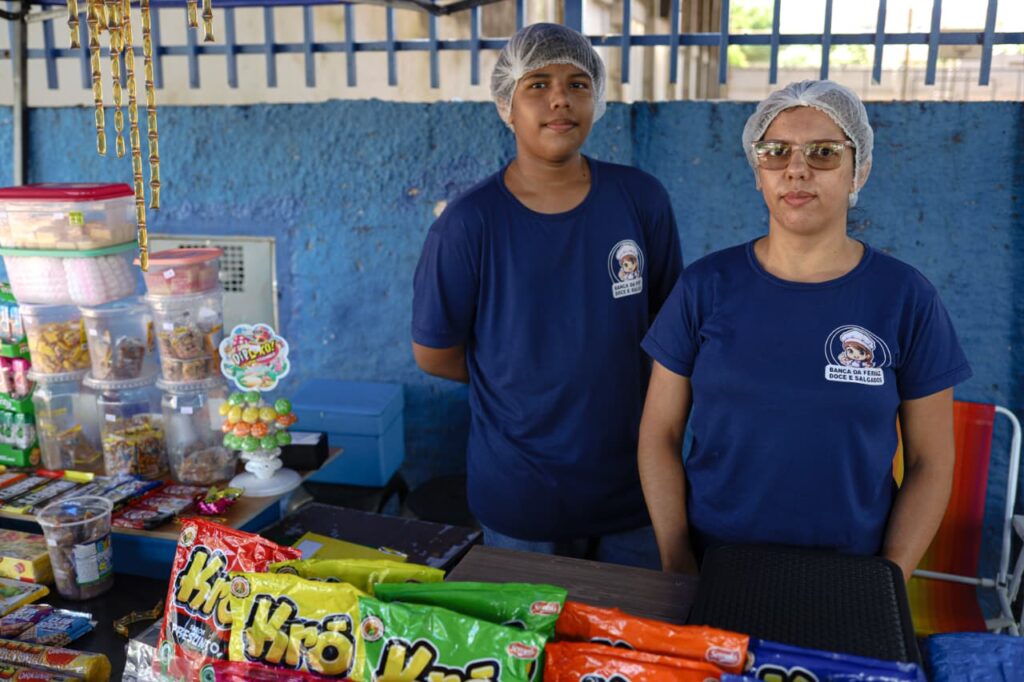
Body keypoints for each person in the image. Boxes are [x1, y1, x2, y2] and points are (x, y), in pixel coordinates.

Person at [637, 80, 971, 581]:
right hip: (715, 566)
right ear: (757, 172)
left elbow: (931, 462)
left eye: (824, 152)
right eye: (775, 151)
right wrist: (676, 557)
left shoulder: (905, 298)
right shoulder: (705, 287)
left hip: (851, 575)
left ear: (860, 169)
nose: (796, 169)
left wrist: (887, 578)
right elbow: (659, 434)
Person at [411, 23, 683, 568]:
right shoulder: (469, 224)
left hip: (634, 487)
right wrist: (522, 379)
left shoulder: (640, 199)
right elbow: (434, 354)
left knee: (634, 624)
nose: (560, 98)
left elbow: (670, 328)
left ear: (596, 99)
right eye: (537, 84)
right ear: (506, 105)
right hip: (522, 496)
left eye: (578, 84)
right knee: (531, 627)